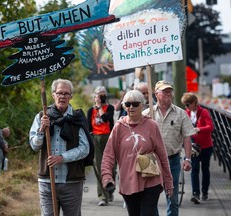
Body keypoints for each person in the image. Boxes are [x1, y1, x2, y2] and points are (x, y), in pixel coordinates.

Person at [101, 90, 173, 216]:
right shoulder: (119, 127)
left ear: (143, 105)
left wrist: (168, 181)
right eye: (128, 104)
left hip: (151, 179)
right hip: (128, 181)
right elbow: (108, 154)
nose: (131, 107)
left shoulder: (151, 125)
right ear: (124, 106)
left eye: (135, 104)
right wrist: (107, 177)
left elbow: (162, 155)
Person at [29, 79, 90, 216]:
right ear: (53, 95)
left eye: (66, 94)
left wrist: (62, 158)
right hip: (47, 181)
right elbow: (34, 146)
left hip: (71, 182)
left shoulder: (76, 118)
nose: (62, 96)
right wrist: (41, 130)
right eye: (59, 93)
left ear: (71, 97)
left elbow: (85, 148)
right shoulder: (42, 117)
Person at [142, 80, 195, 216]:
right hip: (151, 160)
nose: (168, 93)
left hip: (172, 160)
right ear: (156, 94)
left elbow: (187, 136)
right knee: (150, 197)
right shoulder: (147, 114)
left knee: (172, 198)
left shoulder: (181, 113)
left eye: (169, 90)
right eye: (164, 91)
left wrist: (187, 159)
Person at [181, 92, 214, 203]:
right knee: (194, 169)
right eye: (185, 105)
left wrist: (200, 129)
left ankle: (204, 192)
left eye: (188, 104)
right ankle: (196, 194)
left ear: (195, 103)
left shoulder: (204, 112)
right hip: (193, 146)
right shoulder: (186, 113)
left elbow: (210, 127)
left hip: (206, 146)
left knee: (205, 169)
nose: (186, 107)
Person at [87, 86, 115, 206]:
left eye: (104, 95)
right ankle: (103, 197)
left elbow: (105, 119)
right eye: (100, 95)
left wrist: (99, 107)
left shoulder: (110, 108)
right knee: (98, 167)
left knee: (110, 166)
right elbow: (88, 127)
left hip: (108, 137)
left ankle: (110, 188)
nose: (102, 97)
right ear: (95, 97)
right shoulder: (90, 111)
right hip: (96, 138)